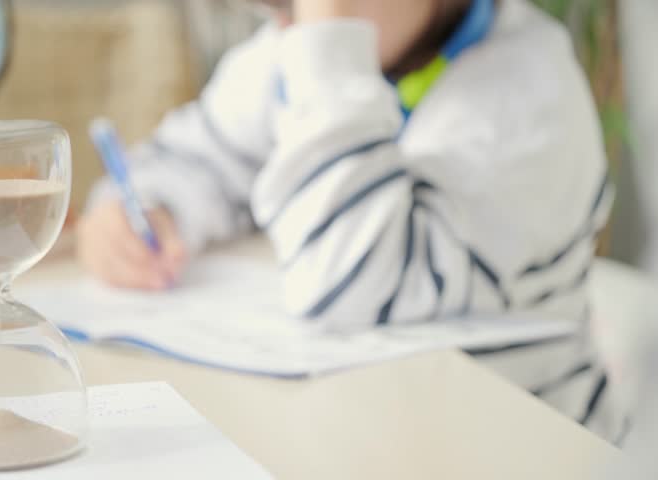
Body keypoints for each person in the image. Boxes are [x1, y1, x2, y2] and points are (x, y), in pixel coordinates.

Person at [78, 0, 625, 441]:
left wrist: (330, 47)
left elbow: (348, 288)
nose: (300, 23)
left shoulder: (527, 96)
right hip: (363, 429)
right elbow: (198, 157)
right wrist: (146, 210)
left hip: (522, 445)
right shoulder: (295, 52)